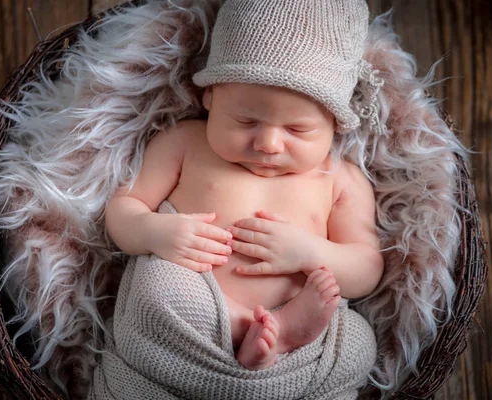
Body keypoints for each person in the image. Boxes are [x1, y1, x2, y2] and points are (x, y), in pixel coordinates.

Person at [104, 0, 384, 371]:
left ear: (335, 123)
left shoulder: (339, 178)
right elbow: (124, 207)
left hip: (303, 328)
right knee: (156, 290)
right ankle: (257, 330)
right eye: (245, 120)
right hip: (193, 304)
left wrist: (310, 252)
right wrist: (154, 231)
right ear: (211, 97)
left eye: (297, 130)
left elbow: (366, 267)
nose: (268, 143)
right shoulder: (186, 142)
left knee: (358, 346)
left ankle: (279, 337)